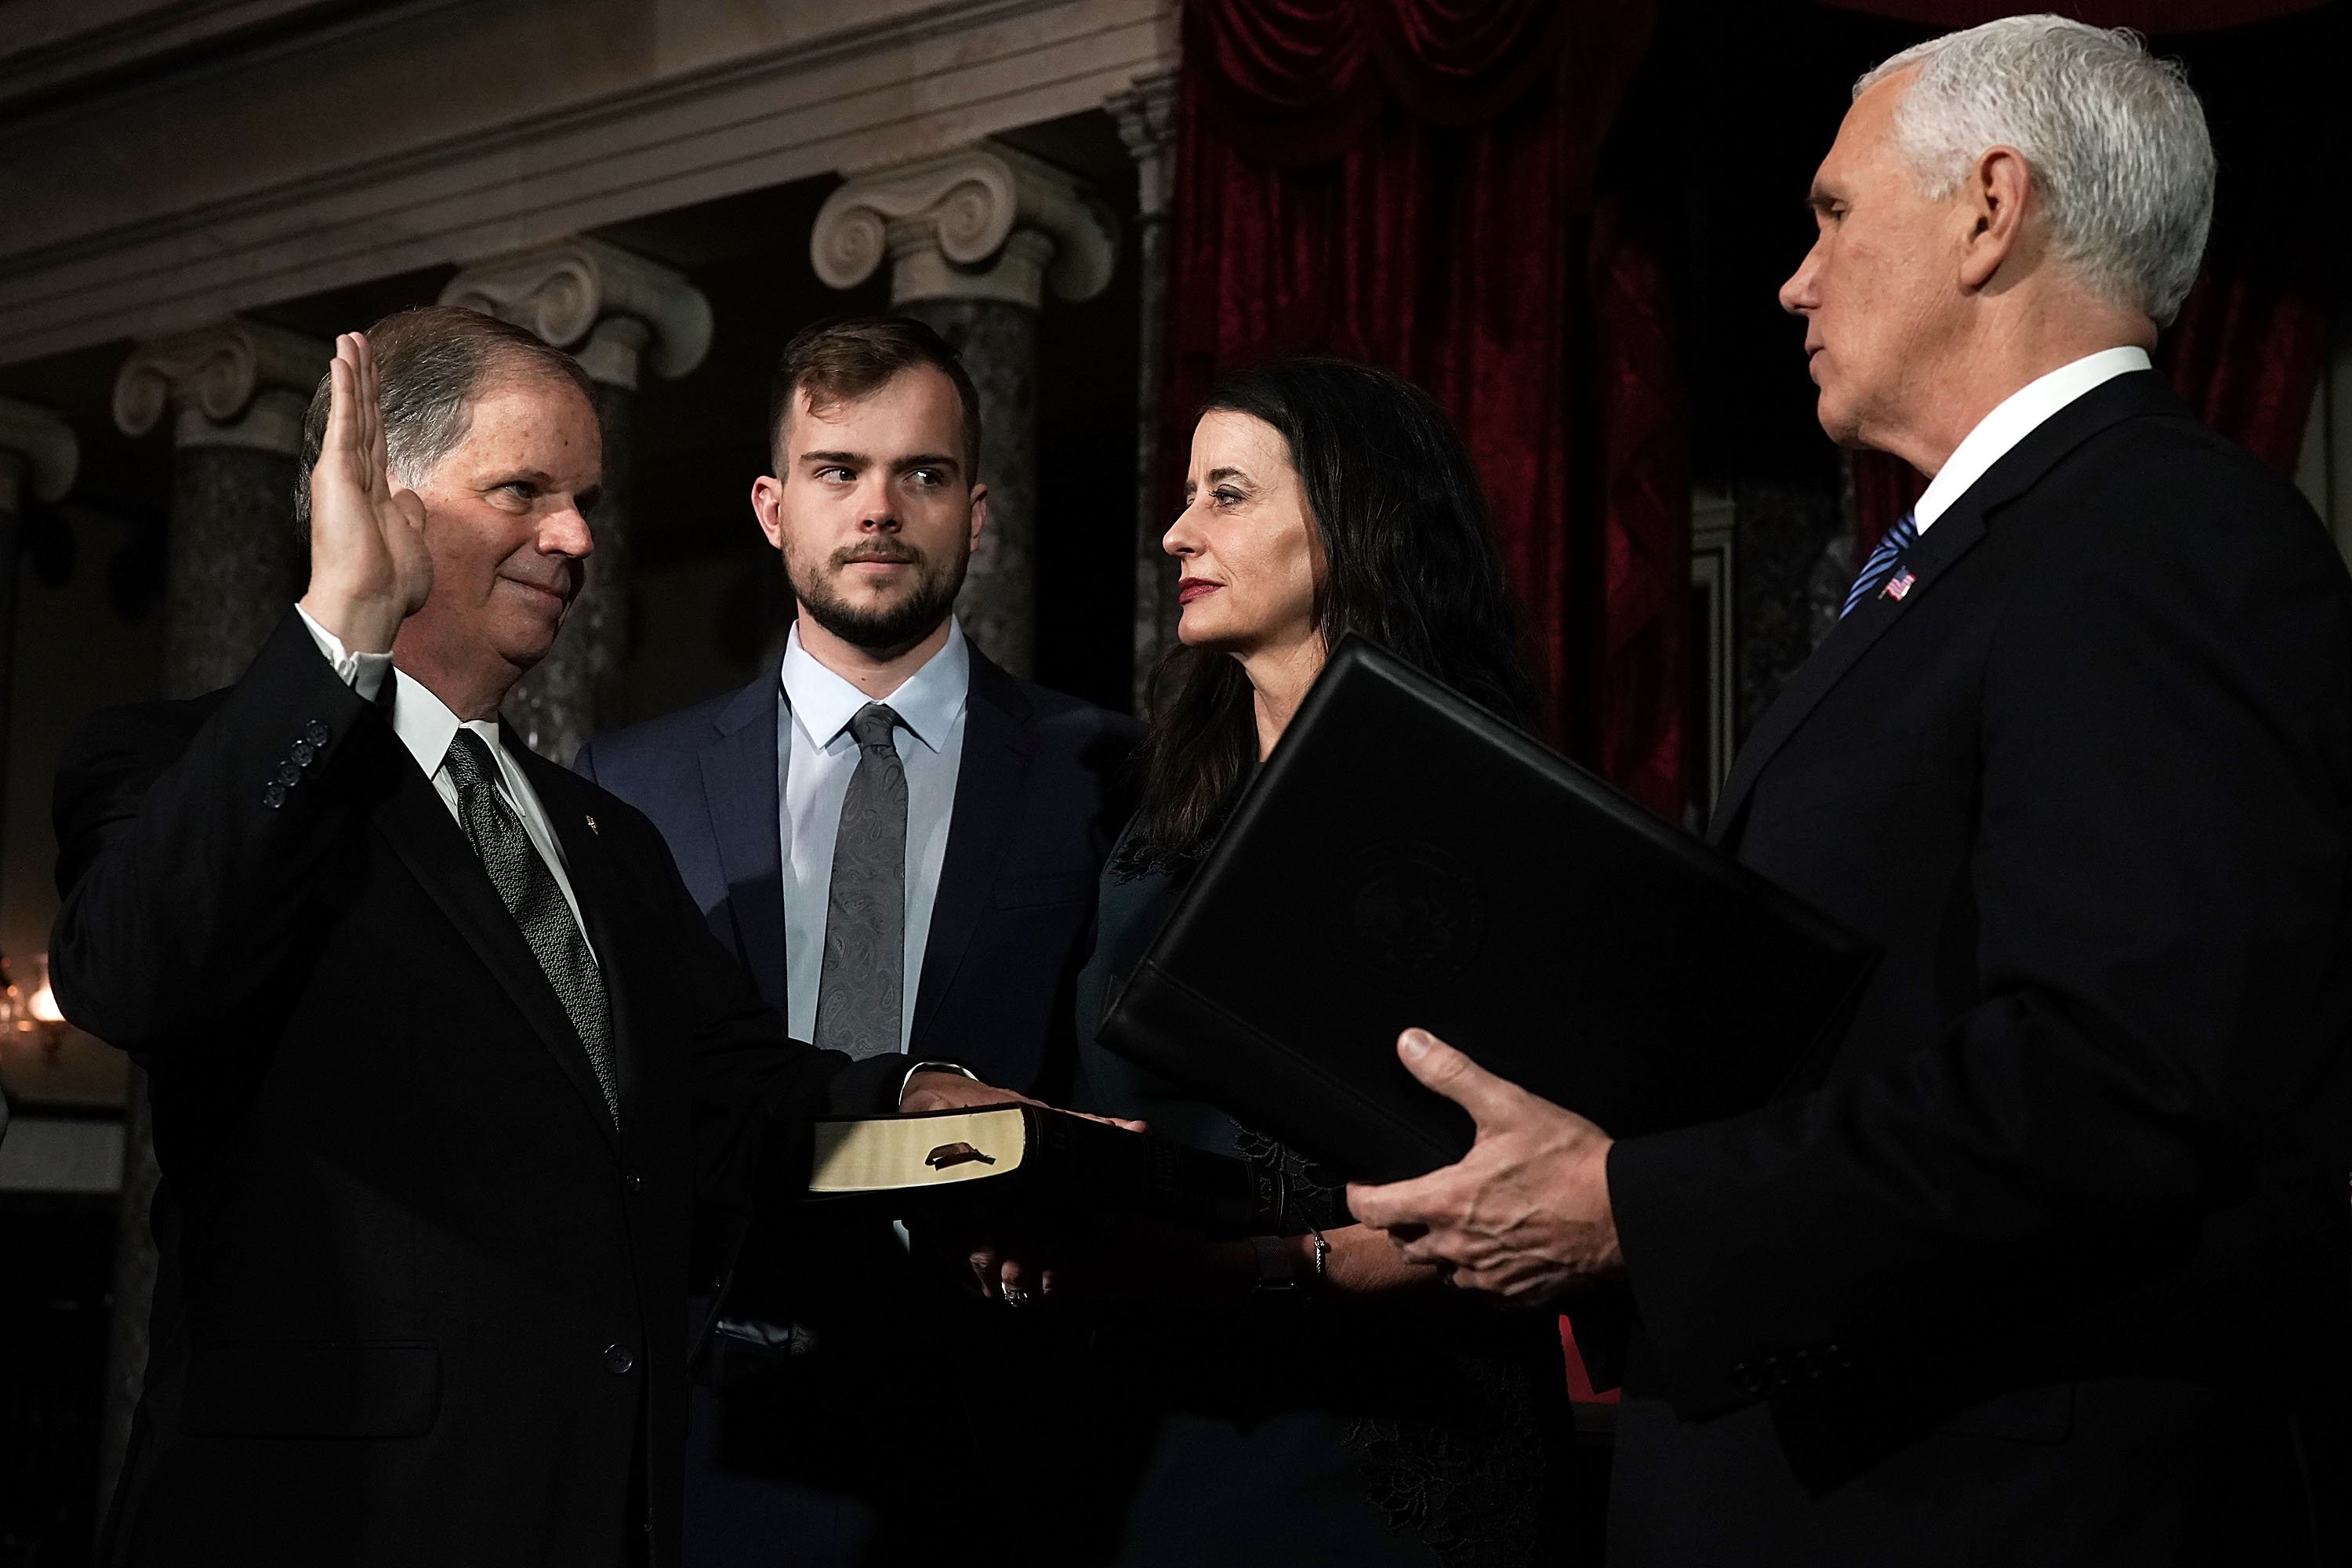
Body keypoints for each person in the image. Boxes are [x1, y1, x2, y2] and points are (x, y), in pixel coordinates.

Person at [1345, 17, 2352, 1566]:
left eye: (1831, 212)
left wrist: (1635, 1208)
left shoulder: (2160, 533)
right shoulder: (1985, 555)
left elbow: (2122, 1079)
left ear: (1990, 210)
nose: (1795, 281)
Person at [49, 307, 1016, 1566]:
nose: (575, 539)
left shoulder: (602, 833)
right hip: (324, 1522)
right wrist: (338, 625)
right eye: (524, 492)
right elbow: (132, 974)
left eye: (586, 503)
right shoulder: (174, 763)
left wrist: (918, 1096)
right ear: (378, 499)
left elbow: (726, 1097)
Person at [576, 316, 1138, 1564]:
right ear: (773, 507)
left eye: (922, 474)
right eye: (839, 471)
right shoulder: (632, 780)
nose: (880, 508)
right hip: (716, 1411)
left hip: (1012, 1413)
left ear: (977, 513)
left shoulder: (1102, 769)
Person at [1062, 356, 1572, 1568]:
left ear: (1351, 520)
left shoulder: (1483, 810)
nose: (1178, 531)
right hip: (1165, 1432)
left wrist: (1267, 1272)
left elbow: (1544, 1178)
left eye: (1227, 494)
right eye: (1188, 493)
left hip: (1401, 1440)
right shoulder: (1158, 819)